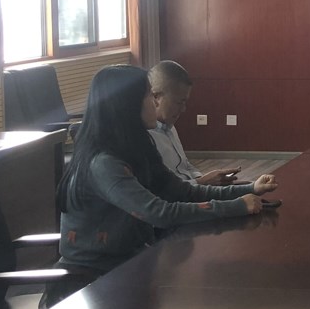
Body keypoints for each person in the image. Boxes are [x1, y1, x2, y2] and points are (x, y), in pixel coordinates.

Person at [56, 64, 278, 275]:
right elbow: (160, 213)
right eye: (149, 96)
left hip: (131, 263)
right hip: (93, 278)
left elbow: (184, 192)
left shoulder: (138, 147)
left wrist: (250, 189)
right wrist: (236, 206)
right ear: (128, 105)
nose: (155, 103)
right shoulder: (104, 163)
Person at [147, 60, 240, 185]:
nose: (183, 109)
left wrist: (208, 182)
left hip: (194, 190)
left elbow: (185, 166)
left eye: (185, 102)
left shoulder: (169, 127)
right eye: (179, 102)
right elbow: (163, 189)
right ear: (156, 97)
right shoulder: (144, 138)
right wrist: (203, 182)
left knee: (254, 188)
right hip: (182, 196)